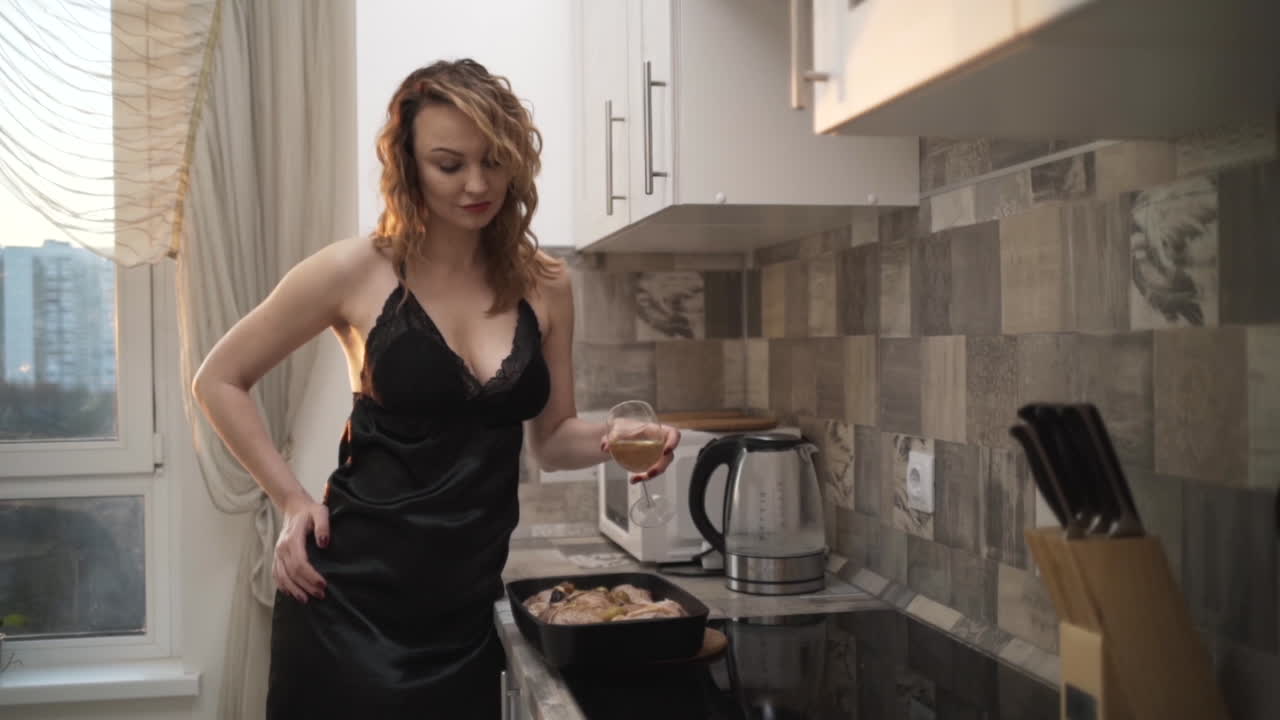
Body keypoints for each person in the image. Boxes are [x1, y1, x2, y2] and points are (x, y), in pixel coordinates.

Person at [191, 59, 681, 719]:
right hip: (346, 606)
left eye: (494, 160)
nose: (477, 184)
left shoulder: (548, 284)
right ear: (409, 165)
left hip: (464, 615)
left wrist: (614, 440)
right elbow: (219, 379)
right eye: (449, 164)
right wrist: (290, 500)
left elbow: (555, 439)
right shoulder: (353, 270)